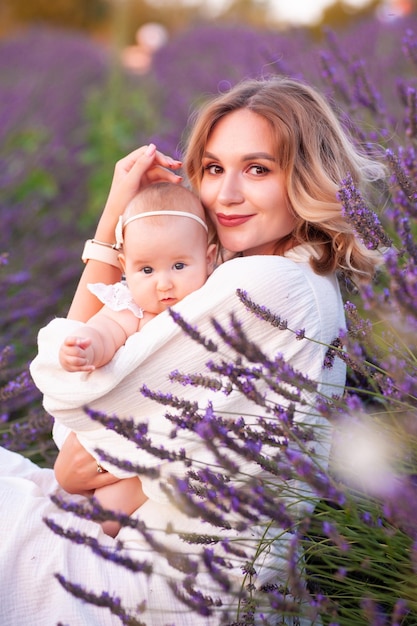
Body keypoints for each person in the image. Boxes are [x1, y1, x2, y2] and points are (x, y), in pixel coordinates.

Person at [0, 76, 387, 626]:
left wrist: (114, 223)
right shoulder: (296, 276)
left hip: (160, 585)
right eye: (212, 169)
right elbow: (94, 419)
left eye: (258, 169)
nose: (226, 195)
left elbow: (72, 398)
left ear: (303, 178)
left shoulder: (266, 285)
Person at [57, 182, 216, 536]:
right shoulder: (131, 309)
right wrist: (85, 347)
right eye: (147, 270)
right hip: (123, 430)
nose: (163, 284)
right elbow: (105, 330)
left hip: (173, 436)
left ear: (208, 258)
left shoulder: (209, 301)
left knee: (107, 514)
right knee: (96, 508)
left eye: (178, 265)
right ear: (124, 267)